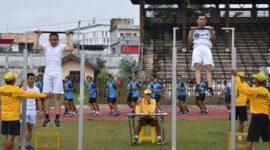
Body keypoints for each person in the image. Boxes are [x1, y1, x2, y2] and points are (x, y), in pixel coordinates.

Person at [0, 72, 52, 150]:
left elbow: (11, 91)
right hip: (13, 117)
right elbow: (30, 94)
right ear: (13, 80)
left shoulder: (2, 89)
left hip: (4, 117)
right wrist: (45, 95)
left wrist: (20, 86)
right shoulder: (16, 90)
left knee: (7, 137)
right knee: (11, 137)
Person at [33, 30, 74, 127]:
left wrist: (68, 36)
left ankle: (57, 118)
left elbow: (71, 48)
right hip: (47, 73)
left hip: (57, 73)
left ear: (58, 40)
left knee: (57, 96)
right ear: (49, 40)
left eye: (55, 40)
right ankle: (47, 118)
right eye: (51, 40)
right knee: (47, 95)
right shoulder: (46, 46)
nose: (53, 41)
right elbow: (35, 47)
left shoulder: (61, 46)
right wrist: (38, 36)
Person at [231, 70, 270, 150]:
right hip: (265, 117)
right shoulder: (266, 91)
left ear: (258, 81)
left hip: (257, 117)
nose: (254, 80)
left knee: (250, 139)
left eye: (255, 79)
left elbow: (242, 89)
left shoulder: (254, 90)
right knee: (268, 138)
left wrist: (237, 77)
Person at [188, 14, 216, 95]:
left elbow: (214, 42)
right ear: (197, 21)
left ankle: (210, 87)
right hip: (197, 47)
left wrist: (212, 32)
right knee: (197, 66)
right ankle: (198, 85)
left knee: (208, 67)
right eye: (200, 19)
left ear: (206, 21)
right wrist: (191, 32)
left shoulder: (209, 29)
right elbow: (189, 43)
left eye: (203, 19)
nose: (202, 20)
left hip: (207, 48)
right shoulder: (193, 30)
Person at [18, 73, 41, 150]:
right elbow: (17, 98)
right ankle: (20, 145)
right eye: (30, 78)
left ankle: (27, 144)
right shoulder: (23, 88)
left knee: (30, 127)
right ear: (27, 79)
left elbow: (38, 101)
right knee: (22, 128)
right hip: (23, 109)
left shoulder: (36, 89)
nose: (32, 80)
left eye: (33, 78)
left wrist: (40, 112)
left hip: (33, 110)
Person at [230, 72, 249, 142]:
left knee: (241, 121)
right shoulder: (234, 85)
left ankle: (240, 136)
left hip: (242, 105)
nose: (238, 78)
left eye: (240, 76)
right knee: (232, 121)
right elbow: (232, 94)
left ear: (243, 78)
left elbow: (248, 95)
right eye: (237, 76)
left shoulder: (246, 85)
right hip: (235, 105)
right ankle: (231, 136)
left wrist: (245, 101)